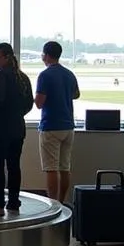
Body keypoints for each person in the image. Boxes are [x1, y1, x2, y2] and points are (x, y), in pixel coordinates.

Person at [0, 42, 34, 217]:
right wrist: (16, 114)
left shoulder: (0, 76)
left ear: (6, 57)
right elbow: (29, 104)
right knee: (13, 166)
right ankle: (13, 201)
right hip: (17, 128)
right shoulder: (23, 77)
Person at [35, 41, 80, 204]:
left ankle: (53, 203)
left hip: (51, 125)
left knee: (51, 168)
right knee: (64, 167)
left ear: (46, 55)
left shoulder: (45, 75)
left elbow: (39, 103)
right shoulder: (69, 74)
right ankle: (62, 200)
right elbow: (76, 95)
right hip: (68, 125)